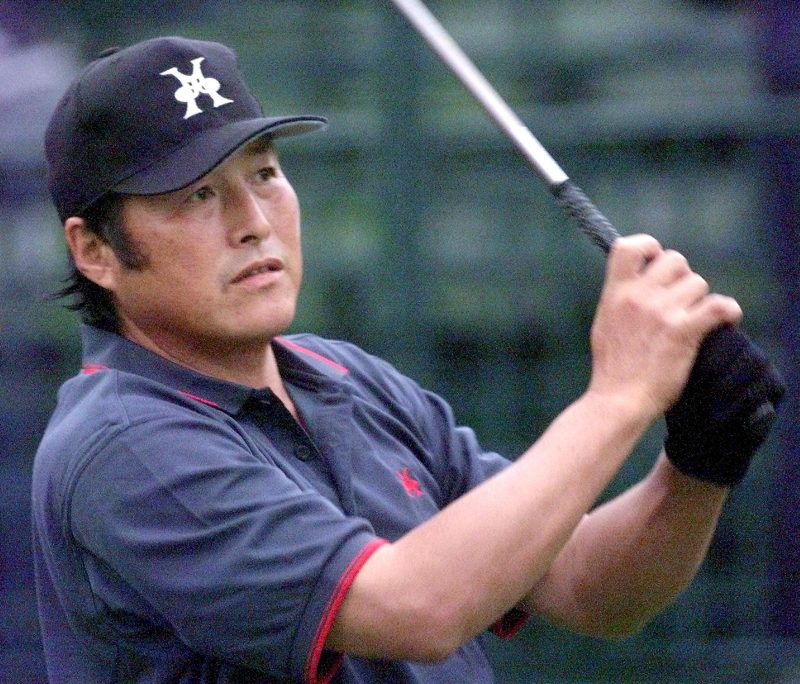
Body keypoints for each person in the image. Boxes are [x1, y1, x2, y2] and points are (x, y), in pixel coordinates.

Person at [32, 36, 784, 683]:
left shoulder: (343, 377)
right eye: (198, 196)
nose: (253, 222)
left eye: (263, 174)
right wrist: (618, 399)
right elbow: (418, 608)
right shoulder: (125, 445)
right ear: (95, 251)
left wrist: (699, 461)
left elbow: (587, 587)